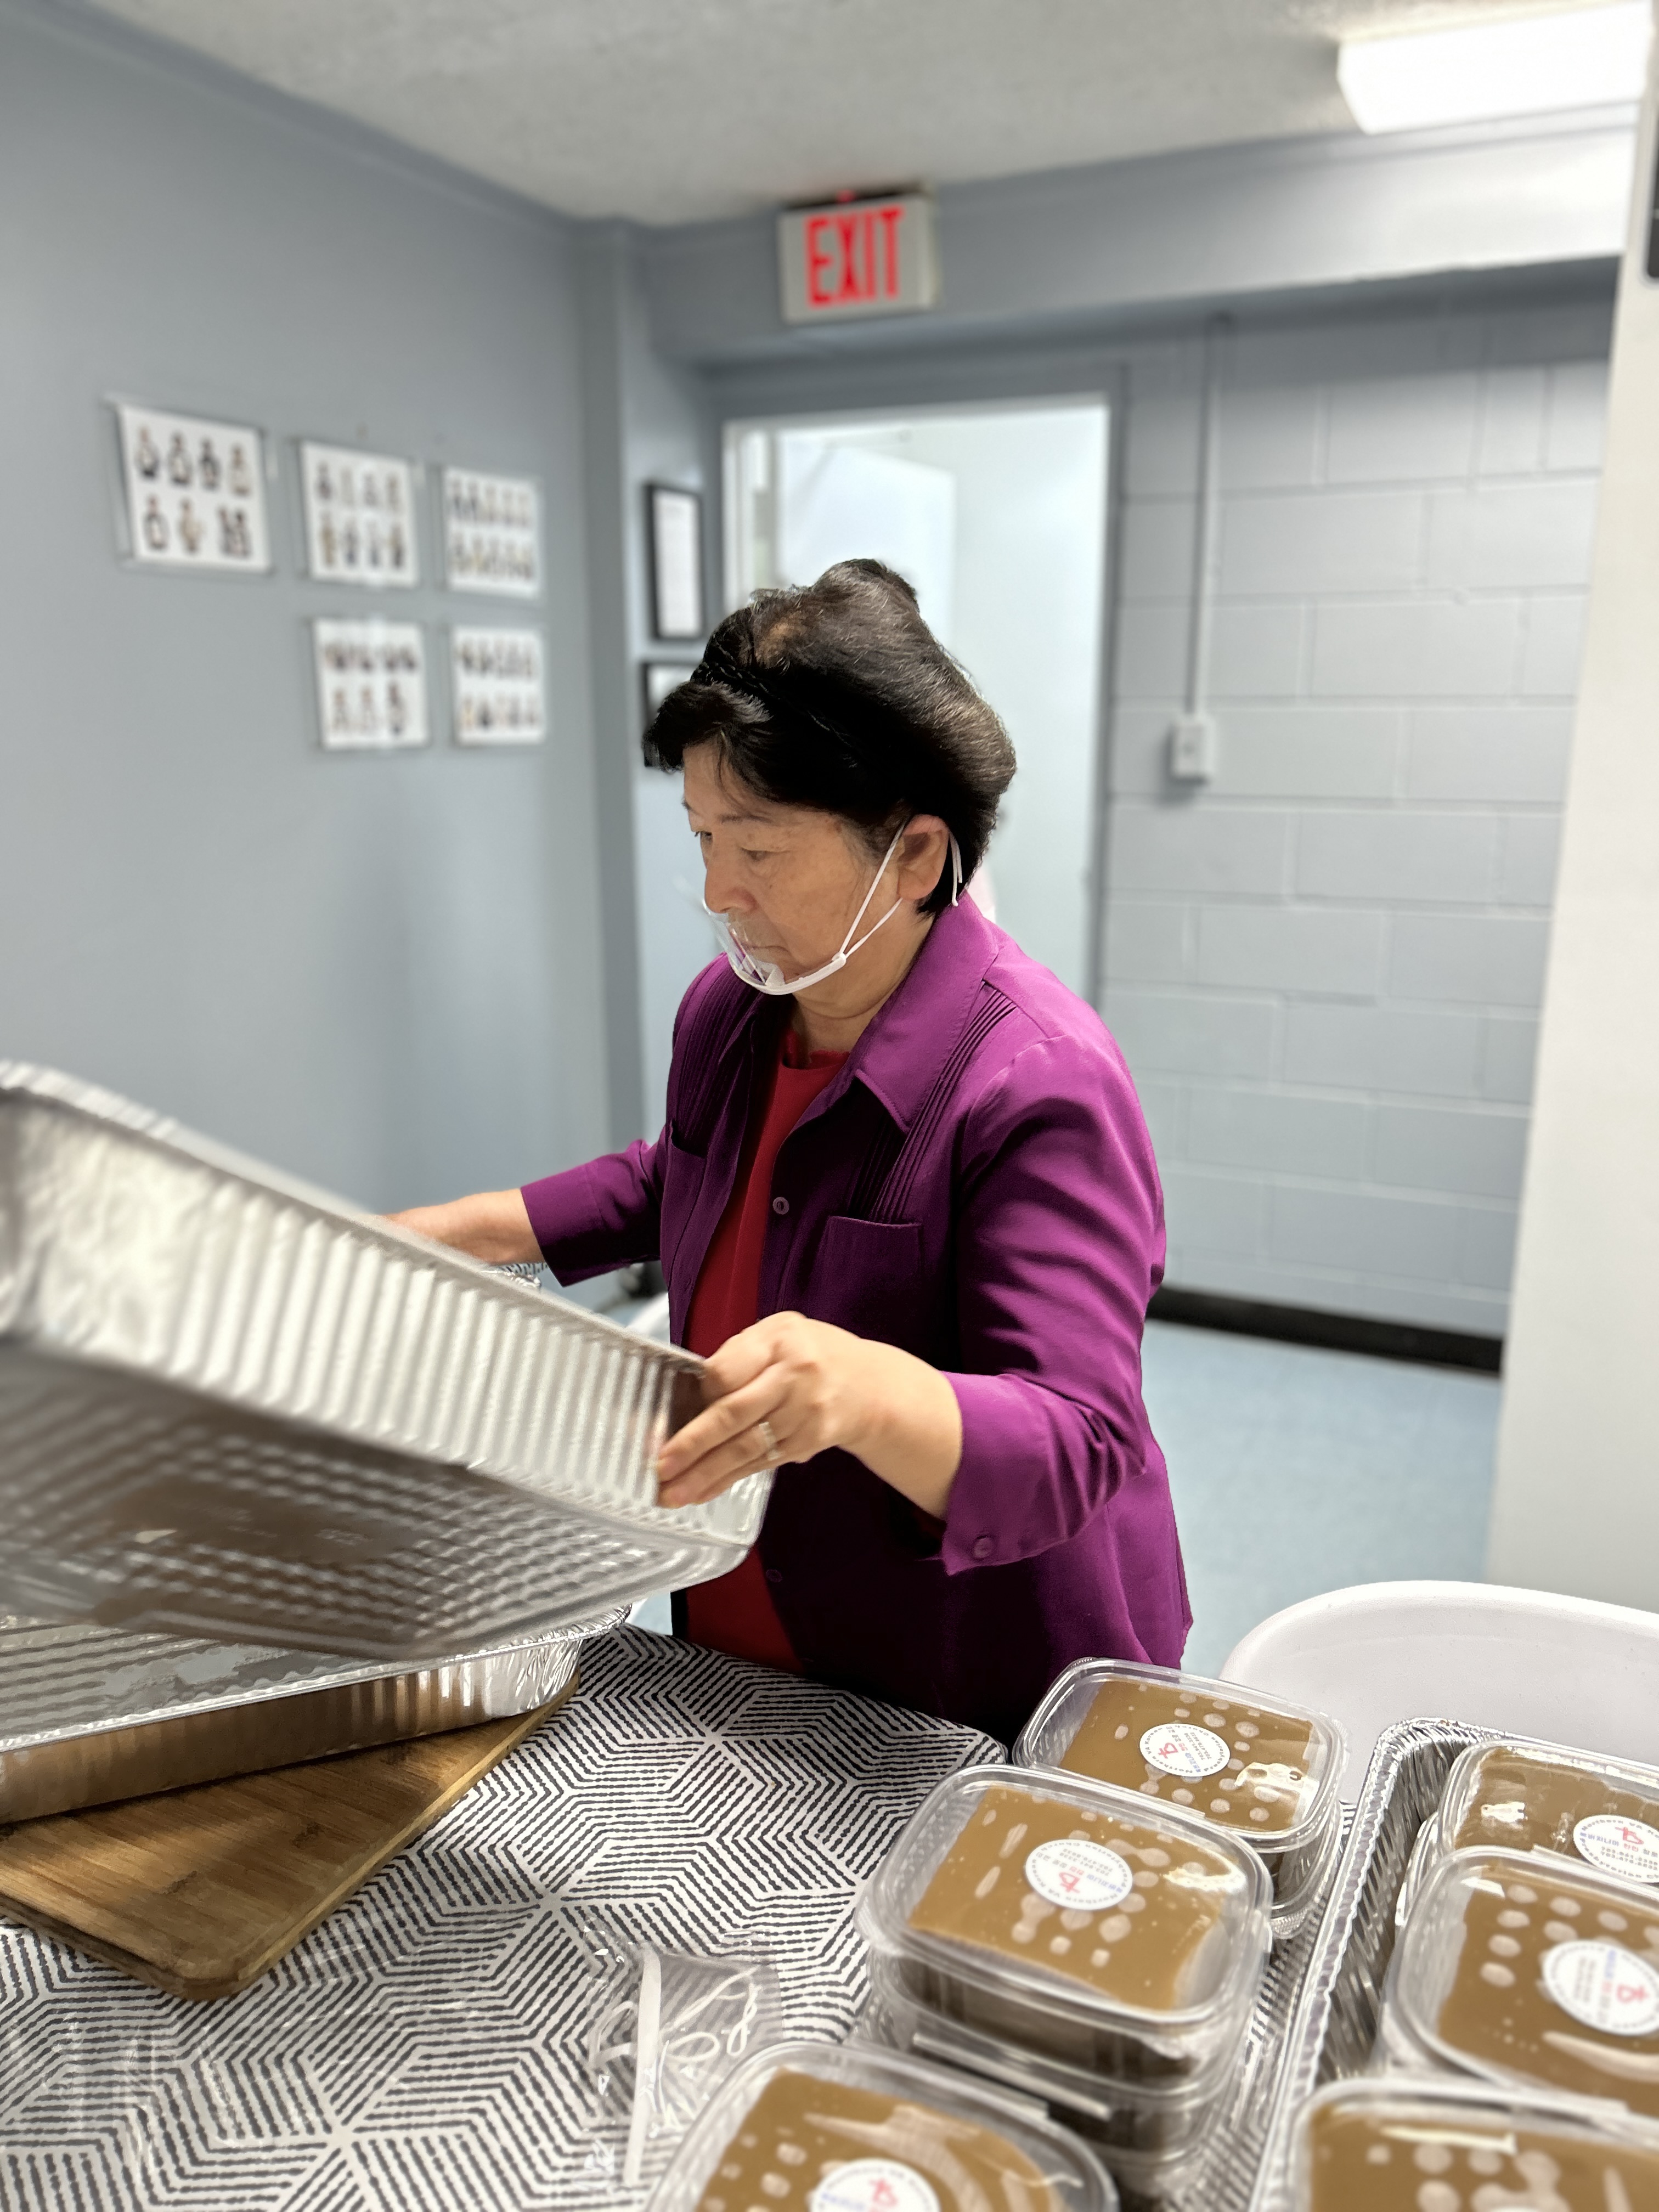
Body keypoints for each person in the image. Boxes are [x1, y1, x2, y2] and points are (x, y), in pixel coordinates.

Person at [392, 559, 1188, 1743]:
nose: (720, 890)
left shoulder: (1038, 1081)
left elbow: (1079, 1441)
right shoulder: (734, 1012)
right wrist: (458, 1234)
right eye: (703, 835)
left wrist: (863, 1392)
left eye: (758, 850)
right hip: (747, 1609)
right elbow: (690, 1180)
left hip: (969, 1673)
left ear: (913, 856)